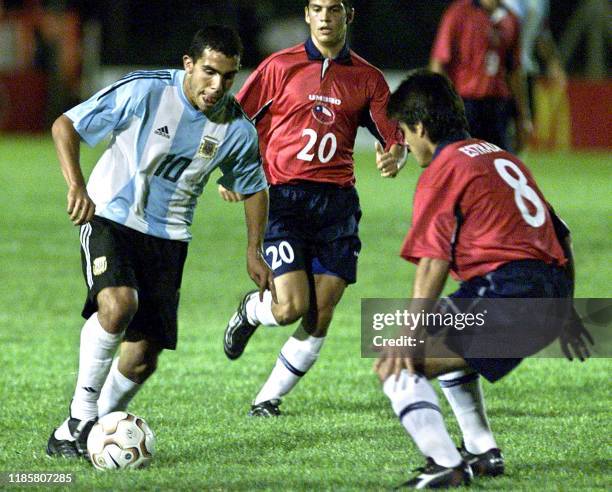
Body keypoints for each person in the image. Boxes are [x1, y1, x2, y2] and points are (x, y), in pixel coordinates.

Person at [46, 25, 274, 459]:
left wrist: (253, 249)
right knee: (117, 305)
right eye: (209, 72)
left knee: (142, 358)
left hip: (169, 237)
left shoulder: (237, 129)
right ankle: (81, 416)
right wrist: (76, 186)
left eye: (228, 77)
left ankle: (83, 435)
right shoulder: (146, 91)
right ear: (188, 64)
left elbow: (254, 187)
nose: (217, 86)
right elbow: (65, 126)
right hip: (110, 214)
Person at [374, 69, 592, 488]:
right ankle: (481, 450)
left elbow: (433, 260)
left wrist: (407, 332)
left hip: (507, 294)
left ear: (420, 126)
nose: (405, 141)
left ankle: (445, 465)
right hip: (546, 292)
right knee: (450, 340)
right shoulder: (500, 156)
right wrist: (565, 311)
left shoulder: (444, 168)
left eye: (404, 131)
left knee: (396, 360)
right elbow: (560, 231)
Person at [221, 0, 406, 417]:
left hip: (337, 205)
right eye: (317, 8)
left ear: (349, 16)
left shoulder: (368, 78)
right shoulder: (277, 67)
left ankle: (266, 399)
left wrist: (397, 155)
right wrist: (232, 172)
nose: (325, 17)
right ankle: (251, 311)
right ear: (307, 15)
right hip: (284, 200)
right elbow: (234, 121)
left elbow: (394, 135)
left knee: (321, 312)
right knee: (290, 308)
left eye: (334, 9)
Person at [429, 0, 532, 152]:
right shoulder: (459, 13)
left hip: (498, 106)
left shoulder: (511, 18)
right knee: (458, 162)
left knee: (501, 165)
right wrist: (440, 105)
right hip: (465, 104)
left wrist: (523, 116)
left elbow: (514, 71)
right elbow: (439, 62)